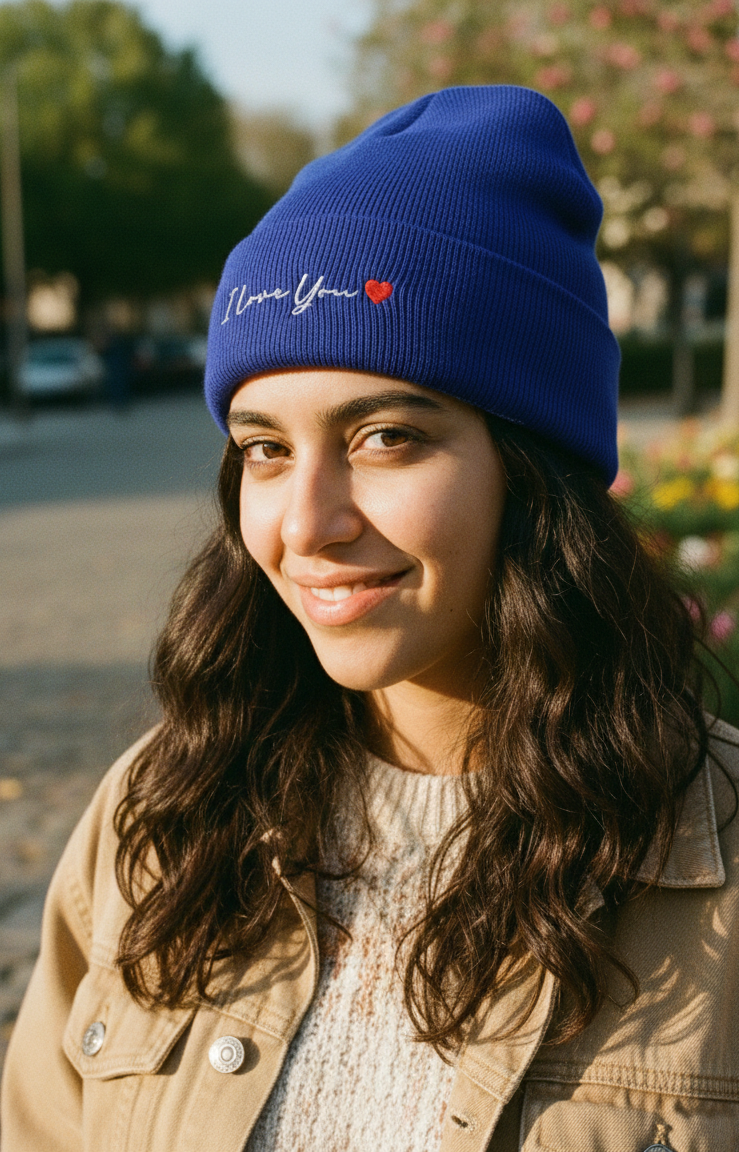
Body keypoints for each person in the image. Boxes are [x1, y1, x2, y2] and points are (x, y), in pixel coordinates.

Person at [3, 85, 739, 1152]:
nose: (306, 523)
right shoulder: (157, 825)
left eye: (386, 436)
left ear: (534, 473)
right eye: (265, 448)